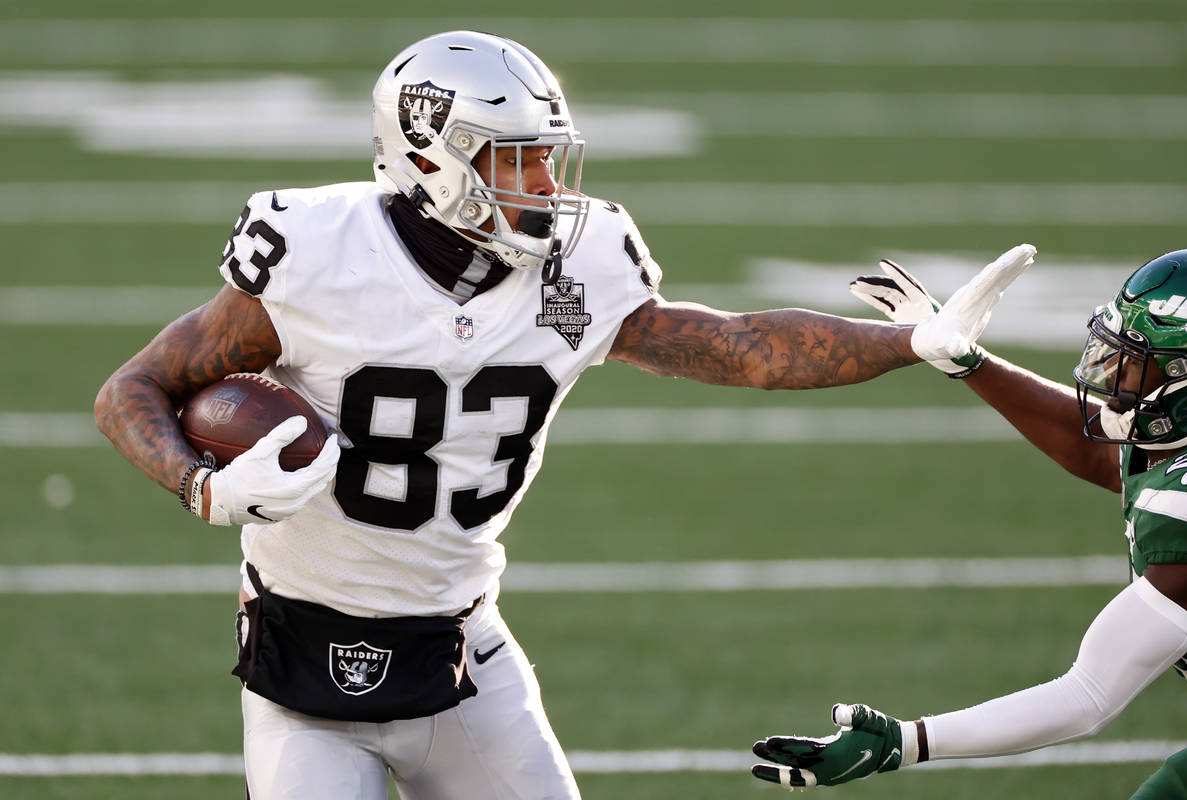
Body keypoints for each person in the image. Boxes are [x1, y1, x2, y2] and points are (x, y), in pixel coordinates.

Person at [93, 30, 1030, 800]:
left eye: (547, 155)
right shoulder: (315, 254)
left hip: (463, 651)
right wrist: (202, 485)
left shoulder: (581, 271)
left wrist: (909, 344)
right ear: (431, 159)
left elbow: (738, 344)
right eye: (516, 158)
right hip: (301, 658)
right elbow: (131, 391)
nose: (544, 182)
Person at [750, 249, 1187, 798]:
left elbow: (1088, 696)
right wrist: (967, 362)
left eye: (1136, 361)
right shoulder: (1173, 449)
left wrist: (905, 741)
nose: (1110, 375)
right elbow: (1101, 456)